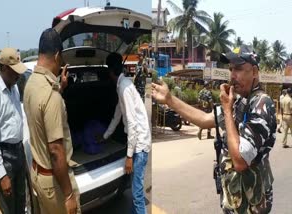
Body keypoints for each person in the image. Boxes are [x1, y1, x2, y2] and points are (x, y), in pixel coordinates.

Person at [152, 45, 276, 213]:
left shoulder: (261, 103)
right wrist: (169, 100)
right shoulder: (239, 101)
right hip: (237, 200)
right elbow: (205, 119)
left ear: (254, 72)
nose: (233, 75)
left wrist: (226, 108)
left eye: (238, 69)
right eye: (231, 69)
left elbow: (240, 161)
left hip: (252, 205)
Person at [23, 28, 80, 214]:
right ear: (57, 55)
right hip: (55, 183)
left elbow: (42, 110)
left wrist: (59, 88)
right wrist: (69, 194)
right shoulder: (50, 96)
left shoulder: (30, 84)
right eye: (61, 59)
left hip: (38, 174)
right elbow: (55, 152)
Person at [100, 52, 151, 214]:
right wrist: (105, 136)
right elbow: (117, 114)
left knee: (136, 194)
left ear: (110, 72)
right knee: (135, 193)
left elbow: (132, 123)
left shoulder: (124, 88)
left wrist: (129, 156)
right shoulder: (122, 85)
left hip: (139, 146)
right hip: (137, 143)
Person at [0, 47, 28, 213]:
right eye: (14, 71)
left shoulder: (14, 87)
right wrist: (2, 175)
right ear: (4, 68)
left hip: (19, 152)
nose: (18, 75)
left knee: (21, 204)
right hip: (5, 156)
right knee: (9, 209)